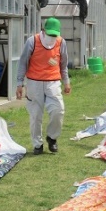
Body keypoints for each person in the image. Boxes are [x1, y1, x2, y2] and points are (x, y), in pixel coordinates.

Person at [16, 17, 71, 154]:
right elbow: (23, 63)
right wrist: (19, 83)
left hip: (53, 82)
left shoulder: (61, 42)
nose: (52, 37)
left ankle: (52, 138)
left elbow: (63, 64)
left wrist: (66, 82)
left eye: (54, 35)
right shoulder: (32, 41)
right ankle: (37, 144)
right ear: (43, 30)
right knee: (36, 115)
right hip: (34, 82)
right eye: (50, 34)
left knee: (58, 110)